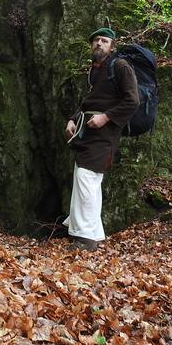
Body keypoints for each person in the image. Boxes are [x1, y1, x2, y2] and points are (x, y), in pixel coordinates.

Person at [63, 27, 139, 251]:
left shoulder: (121, 67)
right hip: (87, 131)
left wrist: (106, 117)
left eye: (104, 41)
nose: (99, 44)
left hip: (105, 134)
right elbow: (88, 102)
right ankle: (92, 233)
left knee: (87, 177)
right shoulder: (95, 70)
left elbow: (132, 101)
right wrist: (72, 119)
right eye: (95, 40)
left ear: (112, 46)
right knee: (85, 177)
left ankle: (85, 240)